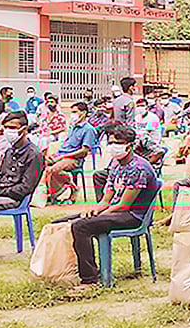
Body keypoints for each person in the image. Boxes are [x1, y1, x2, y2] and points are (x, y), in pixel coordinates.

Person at [51, 127, 160, 297]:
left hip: (132, 216)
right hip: (115, 211)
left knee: (81, 226)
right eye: (111, 142)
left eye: (118, 143)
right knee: (62, 221)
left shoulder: (139, 167)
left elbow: (124, 205)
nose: (113, 146)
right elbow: (106, 199)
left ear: (129, 146)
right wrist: (94, 210)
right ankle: (65, 271)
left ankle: (90, 281)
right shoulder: (116, 165)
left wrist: (100, 214)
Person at [0, 114, 44, 216]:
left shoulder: (35, 155)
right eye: (5, 127)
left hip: (14, 198)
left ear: (24, 129)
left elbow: (25, 188)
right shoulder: (9, 152)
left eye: (12, 127)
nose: (8, 131)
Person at [94, 115, 166, 201]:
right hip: (123, 167)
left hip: (139, 169)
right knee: (98, 175)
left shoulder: (140, 137)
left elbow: (159, 151)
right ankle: (104, 202)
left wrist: (148, 163)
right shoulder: (115, 144)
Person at [44, 102, 99, 204]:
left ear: (83, 113)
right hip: (62, 155)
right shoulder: (73, 127)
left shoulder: (89, 130)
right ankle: (48, 193)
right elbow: (66, 145)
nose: (72, 115)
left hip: (74, 159)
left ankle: (70, 188)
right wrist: (56, 155)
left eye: (75, 112)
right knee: (42, 166)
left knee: (54, 169)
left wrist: (64, 156)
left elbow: (84, 150)